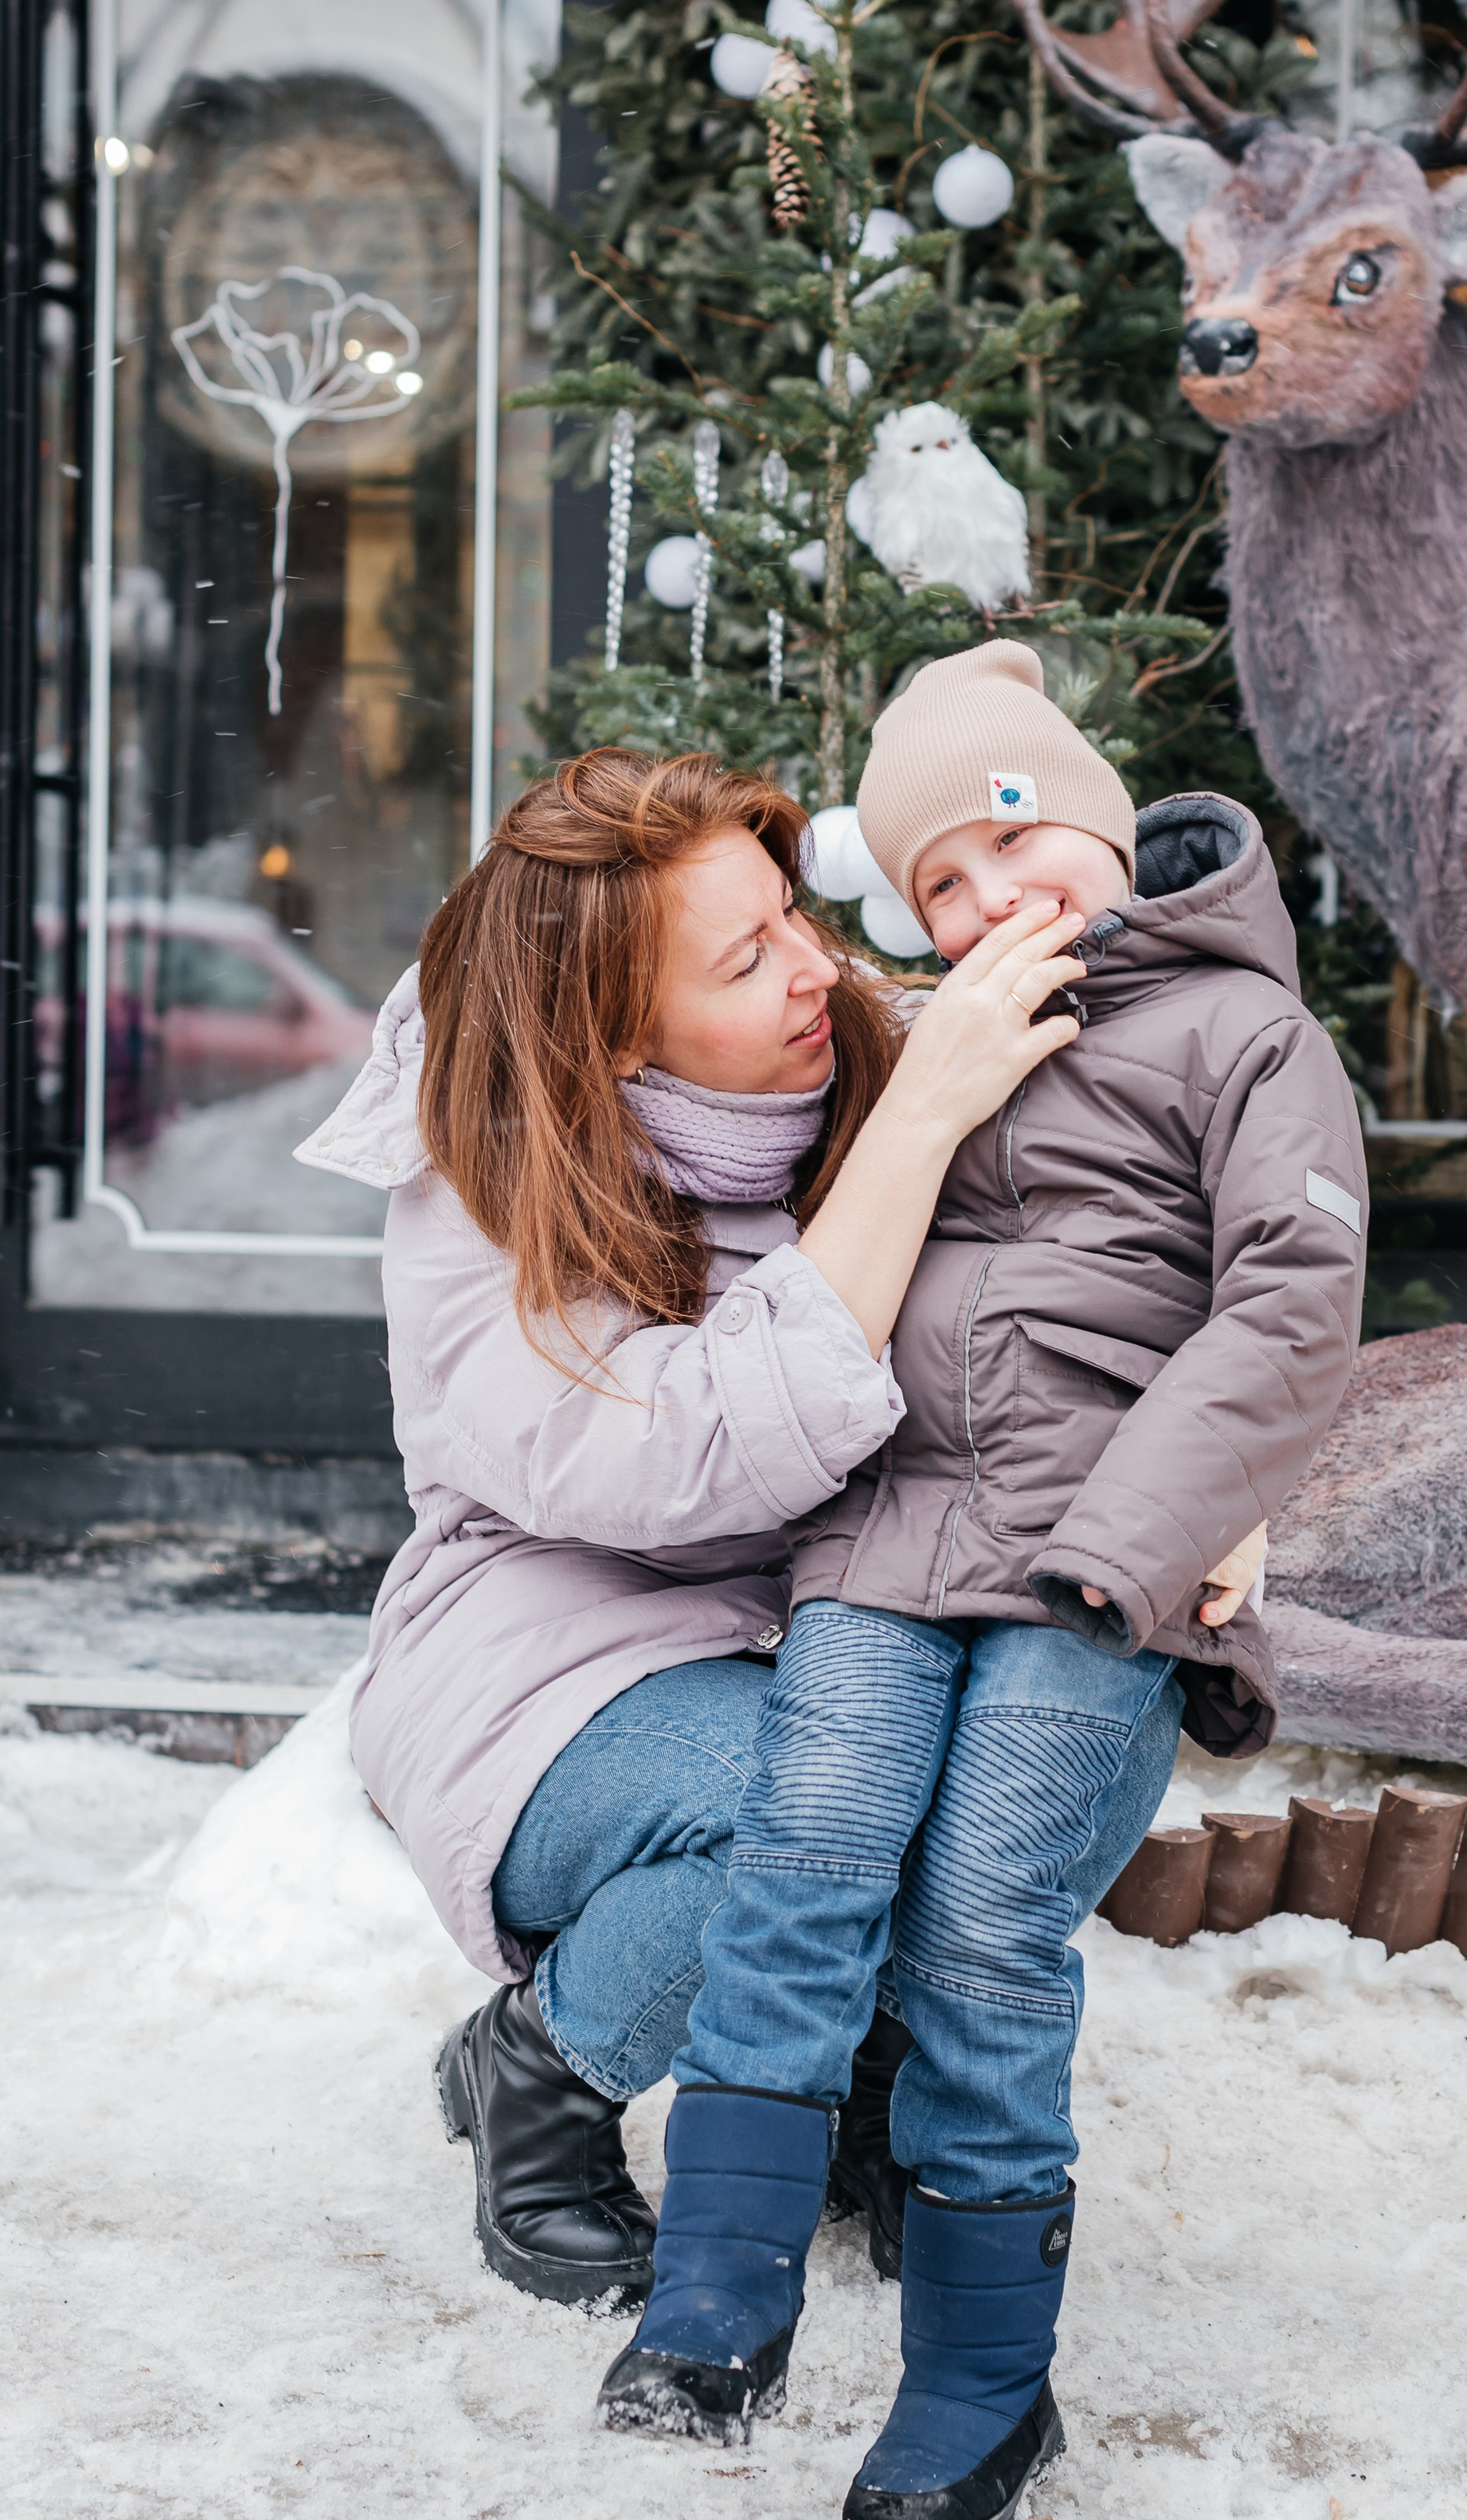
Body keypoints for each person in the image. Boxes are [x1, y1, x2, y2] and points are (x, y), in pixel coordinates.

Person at [596, 643, 1370, 2520]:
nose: (987, 896)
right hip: (886, 1530)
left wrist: (1163, 1527)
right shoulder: (918, 1033)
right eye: (937, 879)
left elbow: (1287, 1304)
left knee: (977, 1916)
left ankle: (979, 2378)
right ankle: (717, 2289)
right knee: (810, 1850)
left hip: (1102, 1554)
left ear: (1101, 830)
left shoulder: (1248, 1040)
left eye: (1016, 838)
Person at [294, 748, 1191, 2315]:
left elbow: (1146, 1103)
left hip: (837, 1609)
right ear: (615, 1034)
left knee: (1047, 1733)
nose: (814, 967)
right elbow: (679, 1455)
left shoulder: (847, 1035)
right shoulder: (485, 1189)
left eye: (791, 915)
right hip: (555, 1648)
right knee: (803, 1804)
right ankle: (543, 2070)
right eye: (744, 955)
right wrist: (916, 1129)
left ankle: (875, 2080)